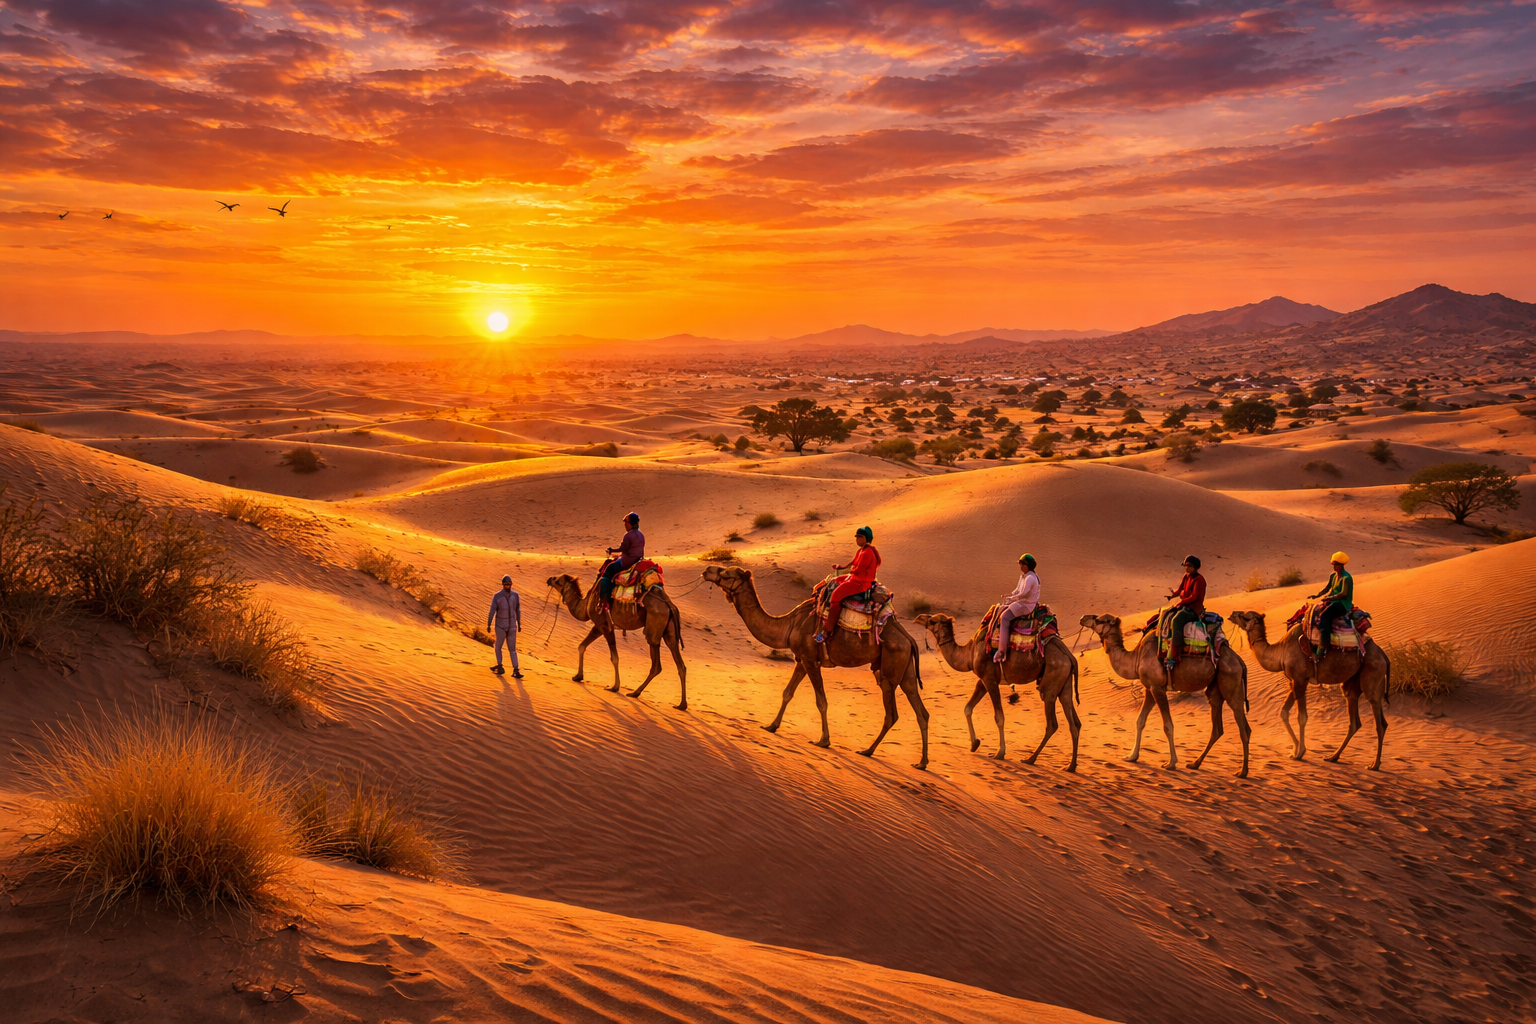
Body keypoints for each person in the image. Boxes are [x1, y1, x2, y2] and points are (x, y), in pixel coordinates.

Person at [814, 526, 880, 644]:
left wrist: (849, 573)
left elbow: (859, 569)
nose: (857, 539)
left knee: (835, 596)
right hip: (855, 578)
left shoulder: (867, 553)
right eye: (857, 537)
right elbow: (854, 563)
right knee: (832, 581)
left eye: (860, 537)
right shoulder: (862, 550)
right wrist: (843, 567)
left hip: (861, 583)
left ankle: (828, 629)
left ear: (866, 538)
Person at [993, 553, 1040, 663]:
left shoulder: (1030, 578)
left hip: (1026, 605)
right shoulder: (1024, 576)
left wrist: (1012, 599)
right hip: (1021, 602)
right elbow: (1018, 590)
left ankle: (1001, 652)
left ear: (1026, 565)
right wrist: (1009, 595)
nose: (1020, 566)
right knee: (1001, 608)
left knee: (1004, 618)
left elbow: (1023, 594)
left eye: (1022, 564)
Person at [1308, 551, 1354, 658]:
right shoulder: (1333, 576)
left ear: (1341, 565)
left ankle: (1324, 646)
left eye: (1336, 565)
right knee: (1315, 614)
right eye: (1333, 564)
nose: (1334, 567)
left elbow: (1343, 594)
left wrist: (1329, 598)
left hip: (1343, 604)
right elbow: (1327, 588)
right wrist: (1317, 596)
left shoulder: (1346, 578)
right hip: (1333, 602)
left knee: (1325, 616)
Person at [1164, 554, 1206, 670]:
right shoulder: (1186, 576)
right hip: (1185, 606)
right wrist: (1172, 595)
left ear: (1195, 567)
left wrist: (1181, 601)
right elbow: (1180, 590)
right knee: (1166, 615)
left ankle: (1175, 654)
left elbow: (1194, 597)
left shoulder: (1199, 580)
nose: (1186, 568)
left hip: (1193, 609)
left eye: (1189, 566)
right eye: (1185, 565)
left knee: (1176, 620)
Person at [599, 512, 645, 606]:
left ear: (629, 523)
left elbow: (623, 549)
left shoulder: (628, 535)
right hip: (637, 562)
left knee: (608, 569)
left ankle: (604, 599)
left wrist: (612, 550)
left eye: (626, 523)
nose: (625, 525)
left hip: (627, 563)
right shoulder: (641, 535)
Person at [488, 574, 522, 678]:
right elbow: (492, 611)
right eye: (506, 584)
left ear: (511, 584)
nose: (507, 586)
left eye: (509, 584)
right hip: (506, 626)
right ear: (503, 584)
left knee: (504, 647)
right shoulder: (501, 596)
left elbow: (518, 610)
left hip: (507, 626)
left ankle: (509, 668)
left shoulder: (501, 596)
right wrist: (489, 623)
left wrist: (519, 623)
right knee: (502, 647)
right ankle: (507, 667)